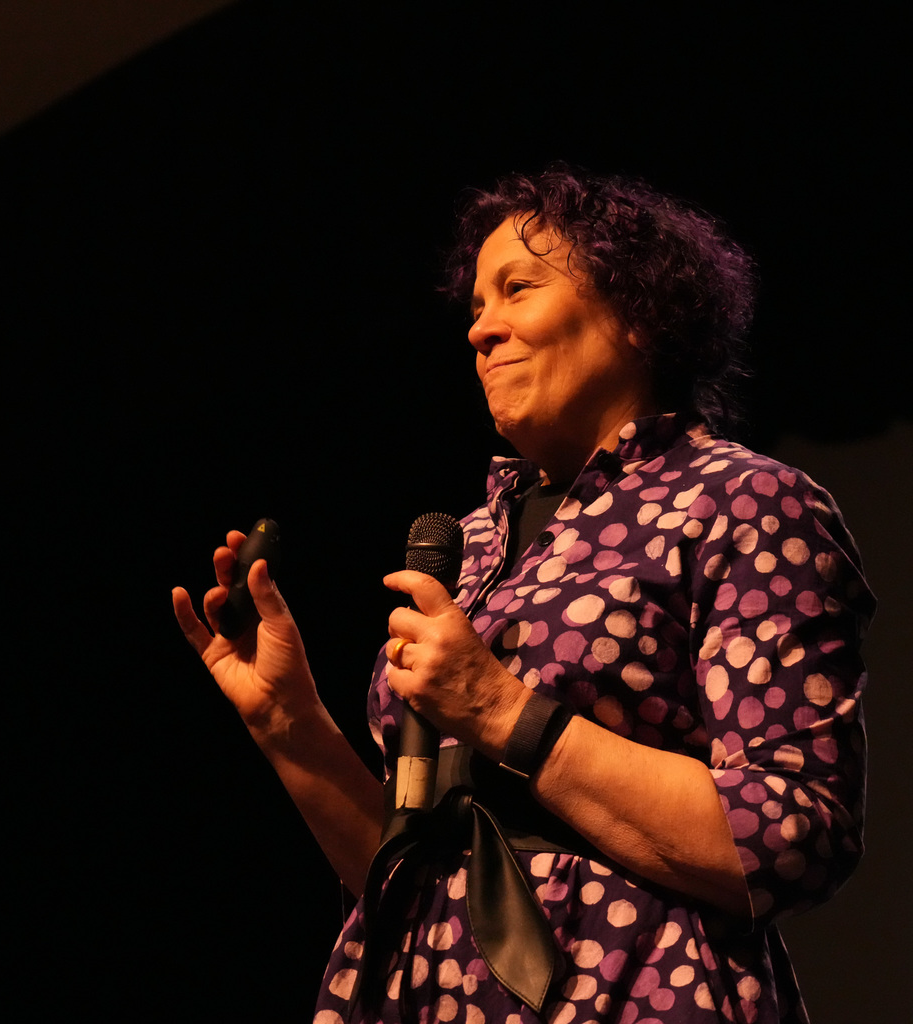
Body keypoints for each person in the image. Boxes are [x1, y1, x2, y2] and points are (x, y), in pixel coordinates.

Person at [172, 164, 874, 1024]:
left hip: (632, 989)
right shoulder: (473, 545)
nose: (480, 328)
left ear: (638, 312)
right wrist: (291, 724)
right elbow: (409, 881)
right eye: (475, 305)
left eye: (517, 289)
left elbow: (794, 832)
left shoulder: (741, 500)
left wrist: (505, 713)